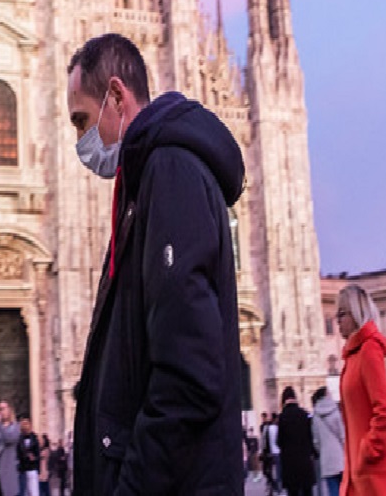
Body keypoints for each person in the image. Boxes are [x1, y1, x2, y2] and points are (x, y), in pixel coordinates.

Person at [66, 33, 245, 494]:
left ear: (116, 96)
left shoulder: (170, 171)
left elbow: (189, 373)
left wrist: (131, 486)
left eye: (82, 121)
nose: (81, 141)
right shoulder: (145, 180)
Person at [336, 284, 386, 495]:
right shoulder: (353, 356)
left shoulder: (369, 349)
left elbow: (385, 410)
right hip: (361, 471)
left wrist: (369, 450)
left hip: (375, 472)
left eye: (342, 314)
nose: (337, 321)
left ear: (356, 313)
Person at [275, 388, 315, 496]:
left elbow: (279, 441)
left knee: (293, 491)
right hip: (305, 460)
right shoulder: (304, 414)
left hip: (290, 463)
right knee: (307, 491)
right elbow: (311, 436)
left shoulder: (282, 417)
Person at [311, 387, 345, 496]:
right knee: (344, 489)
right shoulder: (335, 411)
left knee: (333, 490)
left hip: (326, 459)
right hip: (340, 456)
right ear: (326, 395)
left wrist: (322, 451)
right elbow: (342, 435)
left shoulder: (315, 416)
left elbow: (316, 441)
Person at [16, 419, 39, 496]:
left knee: (34, 491)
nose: (25, 426)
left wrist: (34, 458)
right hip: (22, 469)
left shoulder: (34, 438)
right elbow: (17, 452)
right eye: (23, 424)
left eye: (27, 424)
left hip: (32, 468)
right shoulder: (19, 438)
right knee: (24, 491)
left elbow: (38, 453)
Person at [261, 412, 279, 494]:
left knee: (271, 471)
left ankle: (273, 486)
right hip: (272, 452)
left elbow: (264, 440)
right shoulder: (267, 427)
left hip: (271, 452)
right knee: (271, 471)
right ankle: (274, 485)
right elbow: (264, 440)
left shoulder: (267, 427)